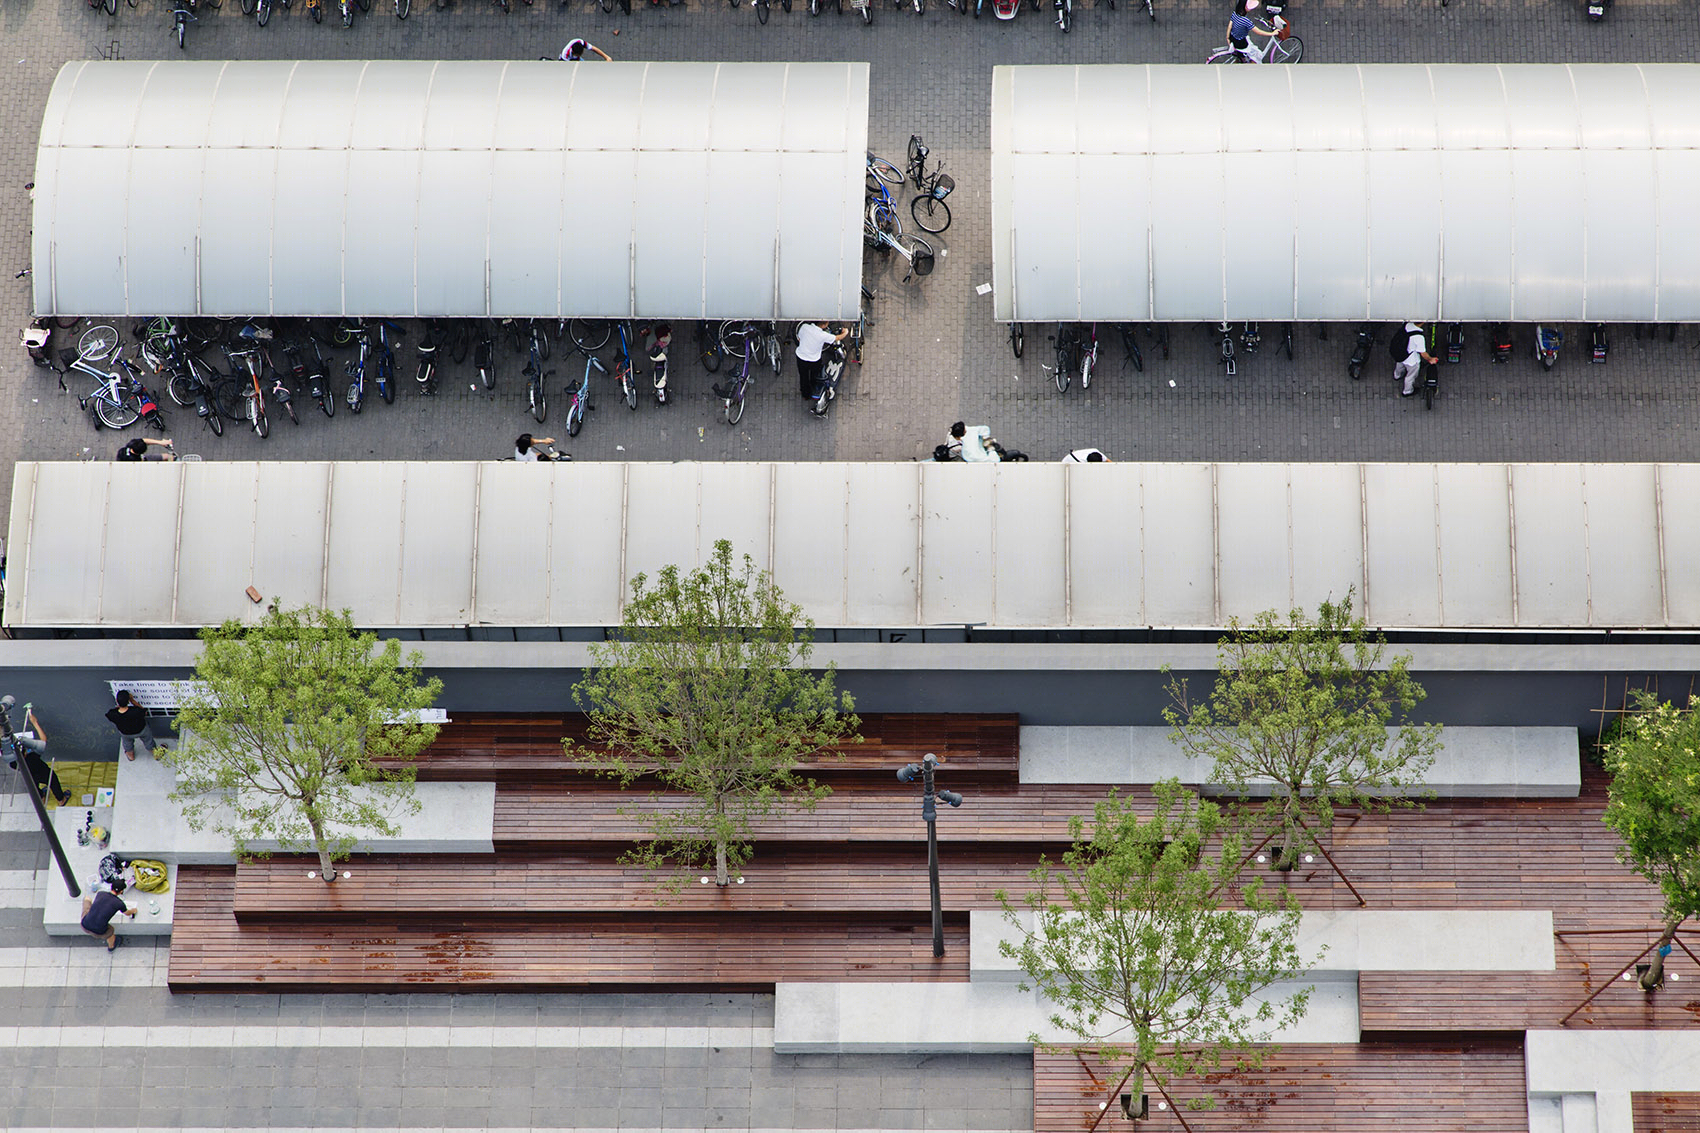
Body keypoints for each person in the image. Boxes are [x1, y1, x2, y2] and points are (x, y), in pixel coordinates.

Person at [3, 700, 70, 806]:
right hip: (42, 772)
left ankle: (41, 797)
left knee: (34, 786)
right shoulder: (33, 757)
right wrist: (35, 723)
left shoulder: (13, 763)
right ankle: (61, 799)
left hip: (29, 775)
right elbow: (43, 741)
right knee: (53, 781)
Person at [794, 322, 850, 400]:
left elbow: (800, 338)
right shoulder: (823, 335)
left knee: (803, 376)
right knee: (815, 374)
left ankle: (805, 394)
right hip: (814, 359)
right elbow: (837, 338)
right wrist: (846, 332)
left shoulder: (804, 327)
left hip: (801, 357)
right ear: (824, 325)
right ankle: (814, 387)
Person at [81, 879, 137, 952]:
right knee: (110, 931)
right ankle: (111, 946)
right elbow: (127, 913)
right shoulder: (119, 903)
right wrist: (134, 910)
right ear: (121, 892)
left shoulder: (100, 893)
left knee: (87, 899)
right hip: (99, 931)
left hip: (84, 924)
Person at [105, 690, 156, 762]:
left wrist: (119, 705)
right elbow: (144, 711)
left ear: (117, 700)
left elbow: (110, 715)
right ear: (128, 701)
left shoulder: (112, 714)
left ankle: (130, 755)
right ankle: (156, 754)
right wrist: (133, 701)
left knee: (127, 744)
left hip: (126, 733)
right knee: (148, 741)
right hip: (141, 730)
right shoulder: (135, 711)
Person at [1395, 321, 1440, 397]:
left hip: (1400, 354)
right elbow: (1423, 353)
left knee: (1399, 365)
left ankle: (1397, 375)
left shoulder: (1407, 325)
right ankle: (1407, 391)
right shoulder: (1419, 337)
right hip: (1411, 360)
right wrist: (1430, 359)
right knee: (1410, 376)